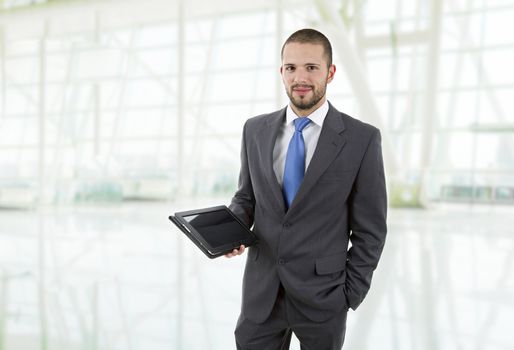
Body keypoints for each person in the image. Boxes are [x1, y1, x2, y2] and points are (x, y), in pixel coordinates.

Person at [226, 28, 387, 350]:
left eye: (311, 68)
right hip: (262, 293)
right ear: (281, 72)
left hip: (324, 297)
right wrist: (231, 231)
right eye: (291, 68)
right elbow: (247, 196)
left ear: (330, 72)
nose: (300, 77)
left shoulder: (361, 139)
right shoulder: (254, 130)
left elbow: (371, 229)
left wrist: (349, 294)